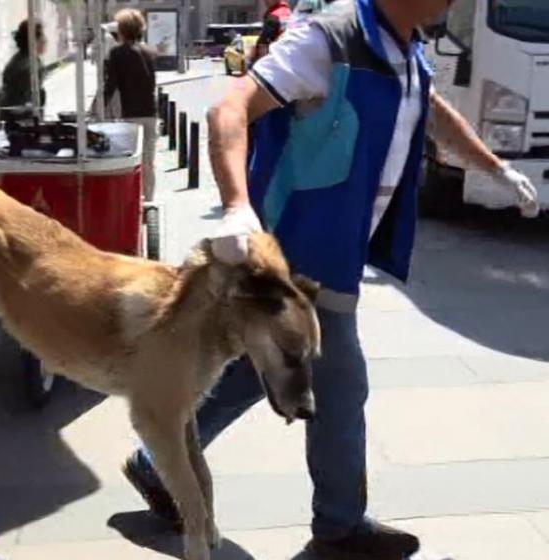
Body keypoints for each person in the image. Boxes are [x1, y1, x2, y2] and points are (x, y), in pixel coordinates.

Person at [122, 0, 539, 558]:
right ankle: (340, 525)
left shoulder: (407, 50)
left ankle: (155, 459)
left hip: (338, 248)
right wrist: (236, 207)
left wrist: (497, 168)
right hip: (297, 254)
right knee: (342, 383)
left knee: (255, 370)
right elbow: (229, 109)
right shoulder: (328, 39)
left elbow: (433, 112)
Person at [104, 8, 158, 202]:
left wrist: (97, 109)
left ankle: (133, 201)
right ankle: (149, 200)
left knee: (129, 162)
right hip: (150, 113)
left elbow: (111, 85)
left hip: (130, 115)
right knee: (148, 162)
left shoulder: (118, 53)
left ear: (122, 30)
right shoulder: (149, 52)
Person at [0, 20, 47, 121]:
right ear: (34, 41)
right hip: (19, 123)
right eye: (42, 36)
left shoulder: (22, 60)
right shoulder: (28, 67)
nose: (45, 40)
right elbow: (23, 104)